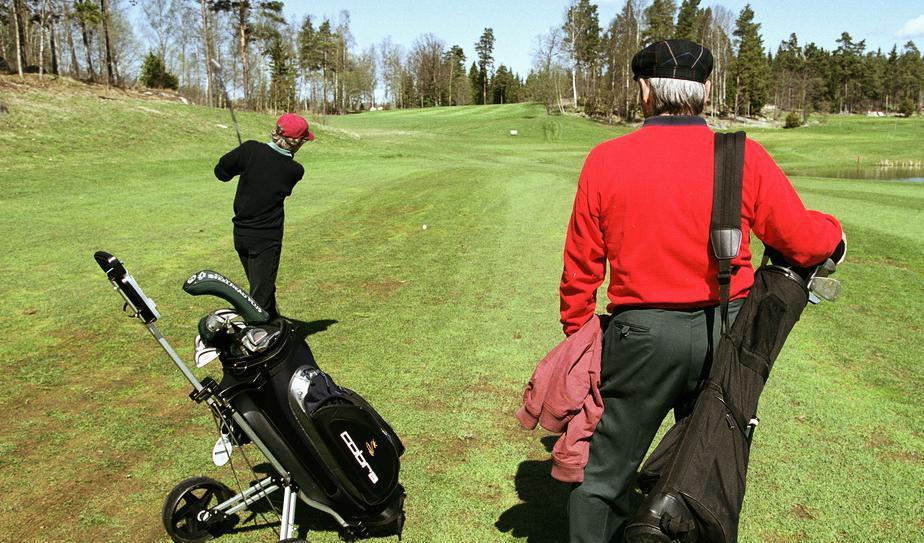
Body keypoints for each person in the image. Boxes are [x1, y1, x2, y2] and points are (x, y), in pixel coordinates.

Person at [559, 39, 845, 543]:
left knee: (602, 478)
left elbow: (581, 268)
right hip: (727, 335)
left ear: (644, 91)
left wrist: (580, 334)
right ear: (707, 89)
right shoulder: (743, 155)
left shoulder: (605, 159)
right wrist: (833, 231)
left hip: (640, 337)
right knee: (706, 469)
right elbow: (802, 239)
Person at [214, 113, 314, 319]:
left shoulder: (250, 149)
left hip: (241, 234)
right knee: (260, 295)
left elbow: (221, 172)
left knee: (262, 288)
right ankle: (259, 340)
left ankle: (275, 324)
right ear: (296, 142)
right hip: (266, 239)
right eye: (304, 139)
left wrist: (243, 159)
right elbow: (275, 170)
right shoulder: (294, 170)